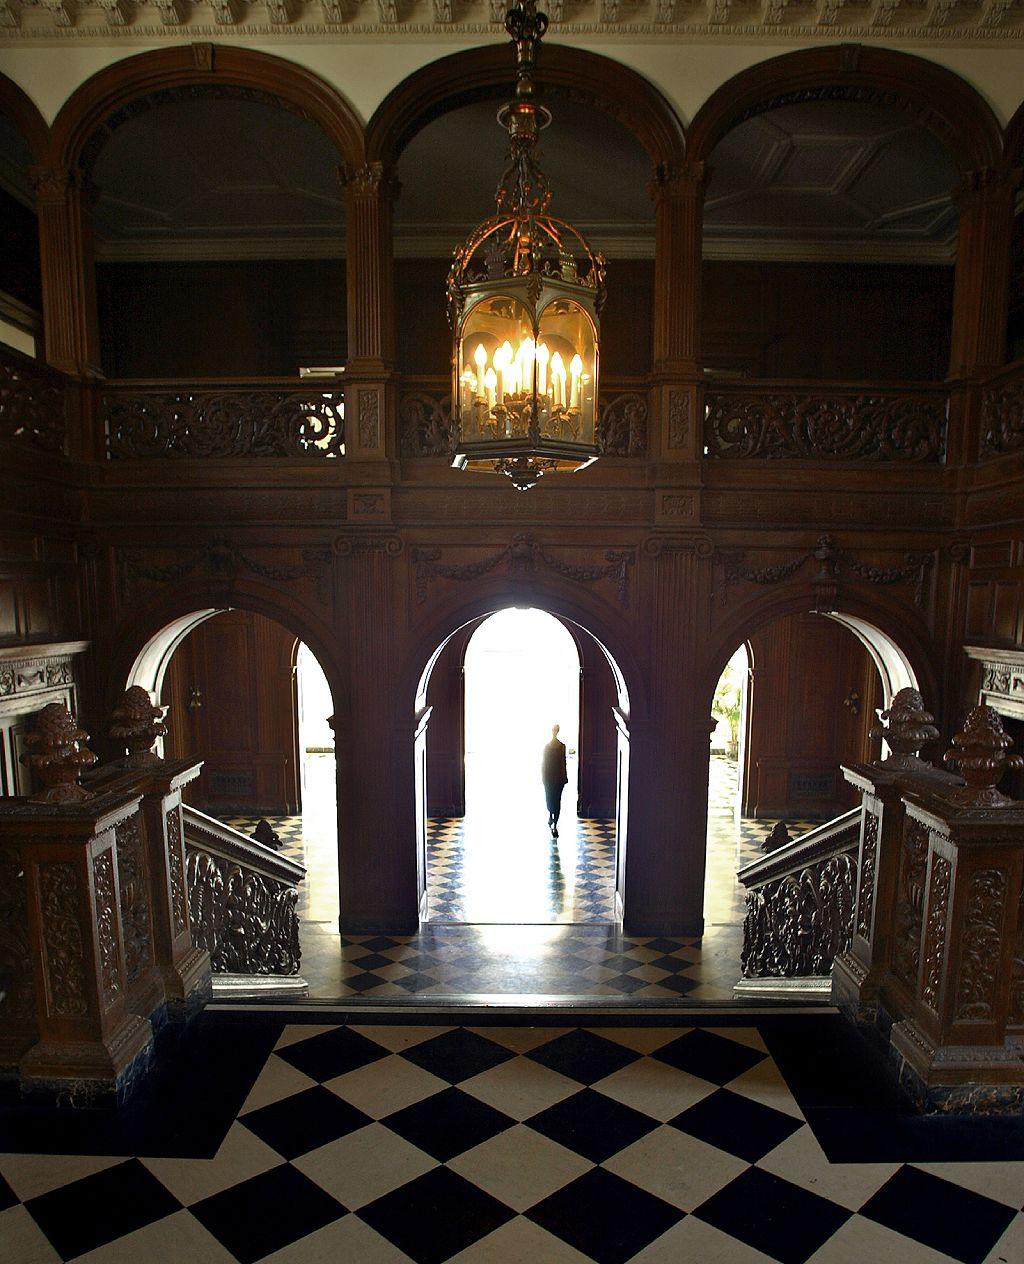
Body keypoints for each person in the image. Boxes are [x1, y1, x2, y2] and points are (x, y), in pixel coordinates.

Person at [542, 724, 568, 837]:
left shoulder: (549, 747)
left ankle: (554, 824)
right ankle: (552, 817)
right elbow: (562, 763)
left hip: (553, 778)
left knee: (553, 800)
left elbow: (545, 763)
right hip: (555, 778)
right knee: (554, 801)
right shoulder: (557, 746)